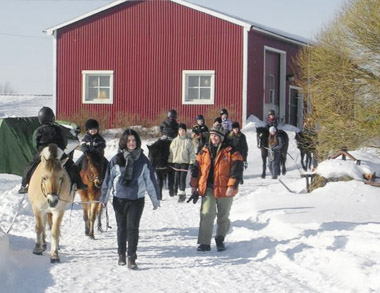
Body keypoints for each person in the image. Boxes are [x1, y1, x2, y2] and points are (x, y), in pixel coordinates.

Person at [100, 129, 160, 269]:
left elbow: (150, 181)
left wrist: (155, 199)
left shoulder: (143, 161)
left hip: (136, 199)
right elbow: (108, 180)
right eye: (128, 141)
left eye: (133, 140)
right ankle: (121, 253)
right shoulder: (116, 159)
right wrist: (104, 197)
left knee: (133, 228)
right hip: (119, 199)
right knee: (122, 228)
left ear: (137, 142)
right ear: (124, 142)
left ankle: (131, 257)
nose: (131, 143)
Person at [189, 124, 244, 252]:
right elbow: (196, 169)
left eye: (216, 136)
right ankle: (204, 243)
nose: (213, 138)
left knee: (223, 216)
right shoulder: (204, 150)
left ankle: (220, 238)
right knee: (207, 213)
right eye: (212, 135)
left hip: (225, 188)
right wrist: (194, 185)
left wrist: (232, 185)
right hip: (208, 188)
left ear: (221, 138)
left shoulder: (231, 151)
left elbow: (237, 169)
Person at [18, 107, 87, 194]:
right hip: (57, 152)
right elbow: (64, 142)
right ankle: (78, 183)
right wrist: (61, 149)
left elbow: (34, 143)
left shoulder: (38, 130)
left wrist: (39, 151)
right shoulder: (58, 129)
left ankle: (24, 185)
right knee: (71, 165)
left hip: (43, 153)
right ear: (52, 117)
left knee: (30, 167)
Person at [168, 123, 196, 202]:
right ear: (178, 131)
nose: (181, 132)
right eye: (180, 130)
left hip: (185, 162)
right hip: (176, 162)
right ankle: (177, 191)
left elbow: (192, 153)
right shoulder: (175, 141)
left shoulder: (188, 141)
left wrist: (191, 162)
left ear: (185, 131)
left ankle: (182, 194)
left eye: (183, 130)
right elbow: (171, 152)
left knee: (182, 179)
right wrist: (170, 161)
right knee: (177, 177)